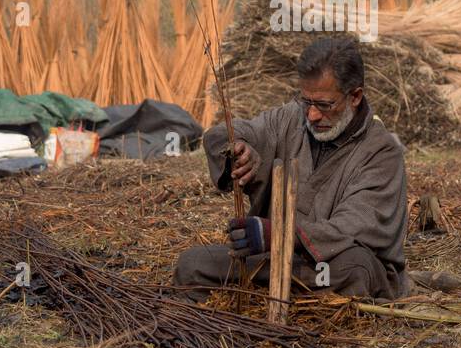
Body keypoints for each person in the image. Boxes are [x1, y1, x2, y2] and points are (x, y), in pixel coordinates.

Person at [174, 37, 411, 302]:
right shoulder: (291, 118)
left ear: (355, 96)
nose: (312, 115)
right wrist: (238, 148)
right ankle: (276, 297)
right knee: (192, 263)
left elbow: (353, 227)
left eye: (324, 105)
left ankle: (268, 295)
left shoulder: (381, 152)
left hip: (330, 267)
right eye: (306, 101)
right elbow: (233, 132)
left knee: (354, 268)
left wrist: (280, 234)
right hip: (273, 261)